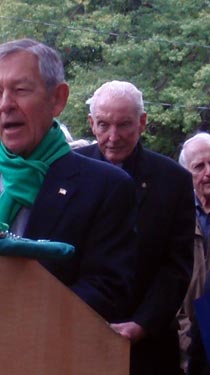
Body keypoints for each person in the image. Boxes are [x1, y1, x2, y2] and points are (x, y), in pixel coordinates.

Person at [0, 38, 138, 323]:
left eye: (20, 90)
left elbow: (108, 290)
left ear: (58, 99)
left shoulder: (107, 187)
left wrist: (20, 318)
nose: (6, 104)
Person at [76, 80, 195, 375]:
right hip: (76, 335)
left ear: (142, 123)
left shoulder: (173, 180)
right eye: (103, 125)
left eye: (124, 125)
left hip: (146, 345)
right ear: (91, 124)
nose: (113, 137)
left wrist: (142, 324)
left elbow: (176, 266)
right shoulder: (69, 172)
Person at [177, 133, 210, 372]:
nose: (208, 172)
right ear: (186, 174)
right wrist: (188, 340)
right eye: (199, 166)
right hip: (188, 343)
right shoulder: (176, 217)